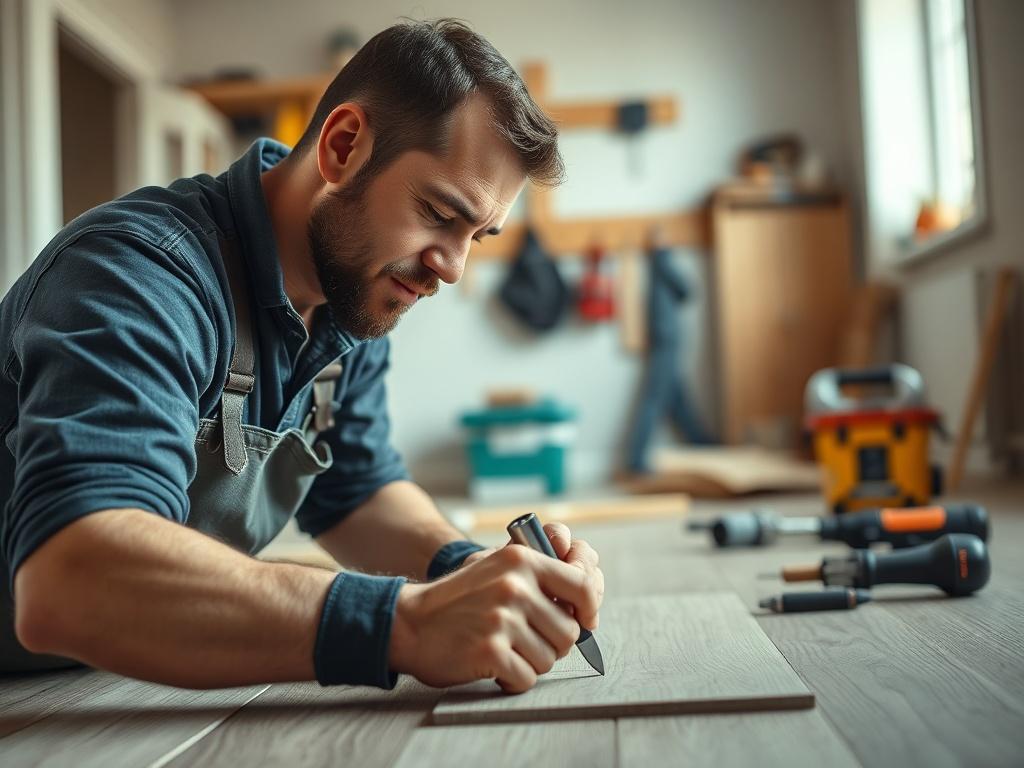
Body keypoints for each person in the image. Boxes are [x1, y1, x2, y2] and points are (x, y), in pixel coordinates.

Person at [0, 19, 603, 695]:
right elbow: (71, 580)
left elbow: (358, 493)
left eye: (477, 236)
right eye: (438, 212)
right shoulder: (139, 274)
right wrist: (401, 625)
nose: (453, 268)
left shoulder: (351, 301)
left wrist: (466, 573)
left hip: (95, 680)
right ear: (344, 146)